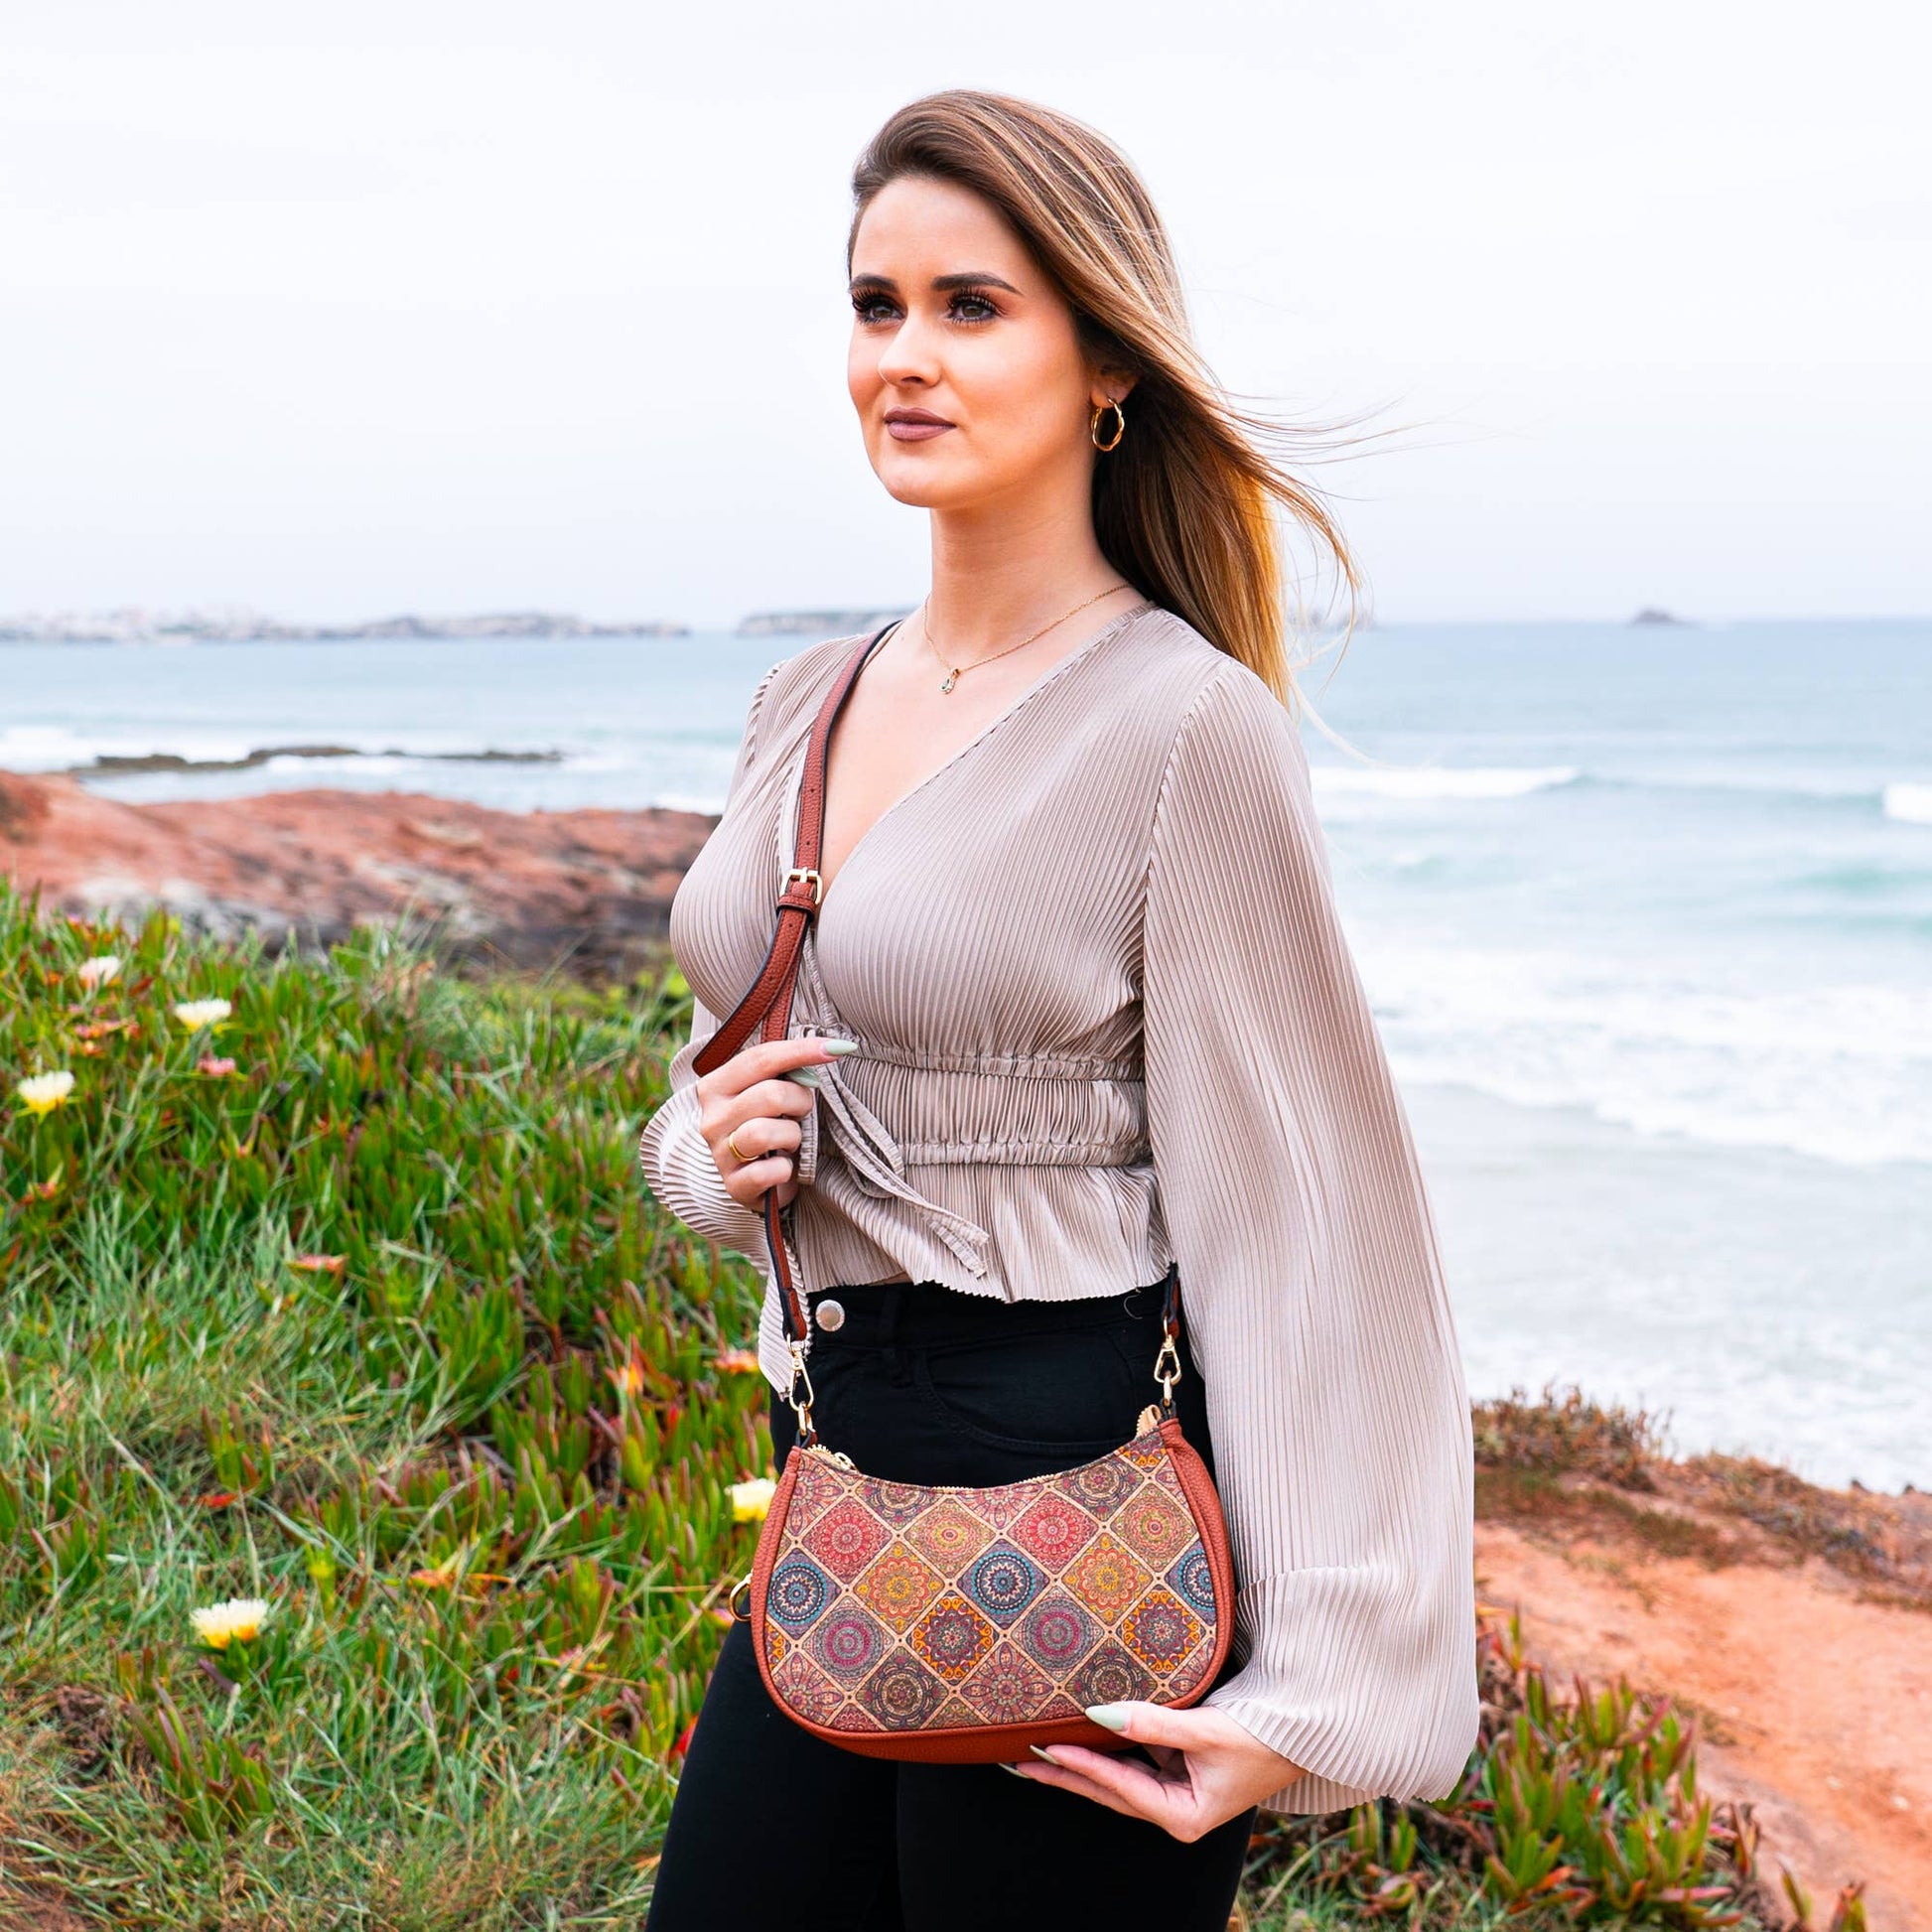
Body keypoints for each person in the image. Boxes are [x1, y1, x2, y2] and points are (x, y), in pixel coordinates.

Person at [637, 87, 1477, 1932]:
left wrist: (1319, 1691)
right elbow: (743, 1065)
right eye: (876, 306)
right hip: (834, 1506)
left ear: (1104, 362)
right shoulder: (803, 695)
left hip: (1083, 1532)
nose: (904, 356)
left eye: (972, 305)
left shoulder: (1183, 726)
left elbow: (1305, 1215)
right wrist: (702, 1152)